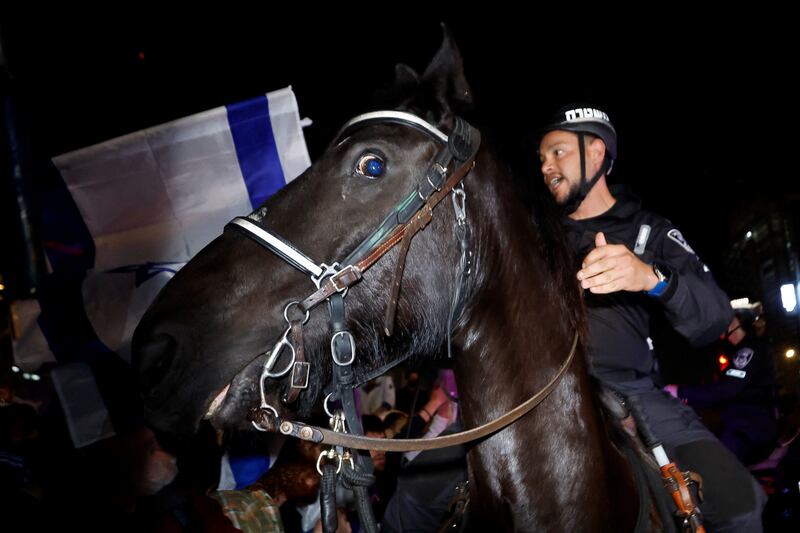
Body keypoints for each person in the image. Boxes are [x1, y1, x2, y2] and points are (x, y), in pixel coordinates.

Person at [538, 103, 766, 531]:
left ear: (597, 154)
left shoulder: (650, 231)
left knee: (740, 504)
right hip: (541, 393)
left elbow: (716, 316)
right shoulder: (536, 236)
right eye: (543, 158)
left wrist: (650, 277)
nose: (547, 166)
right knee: (424, 489)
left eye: (558, 152)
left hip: (632, 393)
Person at [665, 304, 778, 466]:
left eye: (725, 321)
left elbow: (726, 390)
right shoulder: (738, 351)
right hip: (742, 426)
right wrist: (687, 400)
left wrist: (680, 391)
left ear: (736, 322)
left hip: (749, 430)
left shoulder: (749, 351)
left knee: (712, 468)